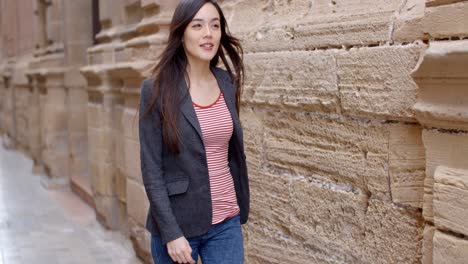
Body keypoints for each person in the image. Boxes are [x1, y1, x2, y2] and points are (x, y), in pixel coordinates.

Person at [138, 0, 249, 263]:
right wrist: (171, 233)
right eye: (197, 26)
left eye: (215, 25)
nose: (207, 33)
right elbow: (151, 169)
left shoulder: (226, 82)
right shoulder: (156, 90)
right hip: (178, 224)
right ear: (182, 33)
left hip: (226, 221)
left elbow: (230, 151)